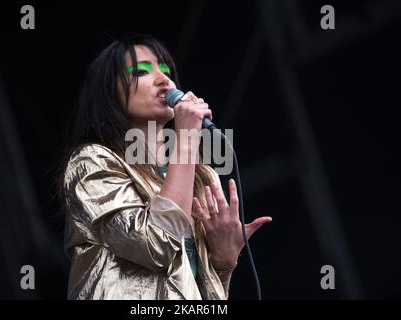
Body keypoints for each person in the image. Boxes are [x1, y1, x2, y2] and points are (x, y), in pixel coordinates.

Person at [59, 33, 272, 300]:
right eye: (142, 71)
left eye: (167, 70)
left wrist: (223, 263)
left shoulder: (200, 177)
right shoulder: (91, 162)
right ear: (108, 92)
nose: (165, 79)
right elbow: (157, 244)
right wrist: (186, 139)